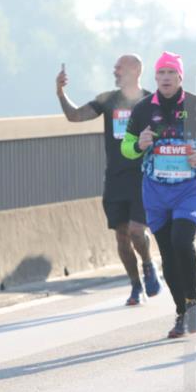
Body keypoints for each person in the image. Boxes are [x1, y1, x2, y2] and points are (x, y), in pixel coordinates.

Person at [121, 52, 196, 338]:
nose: (166, 78)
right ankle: (182, 313)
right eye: (161, 74)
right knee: (168, 253)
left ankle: (193, 303)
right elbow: (127, 147)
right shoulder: (143, 109)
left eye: (171, 73)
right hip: (155, 191)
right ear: (155, 78)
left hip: (188, 189)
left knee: (182, 241)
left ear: (180, 77)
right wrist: (139, 144)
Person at [57, 55, 161, 305]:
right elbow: (75, 116)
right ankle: (136, 286)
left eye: (119, 67)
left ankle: (148, 264)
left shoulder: (151, 101)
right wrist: (60, 93)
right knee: (122, 237)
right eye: (114, 67)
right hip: (115, 179)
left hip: (143, 177)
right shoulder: (107, 100)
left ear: (136, 70)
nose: (115, 71)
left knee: (137, 232)